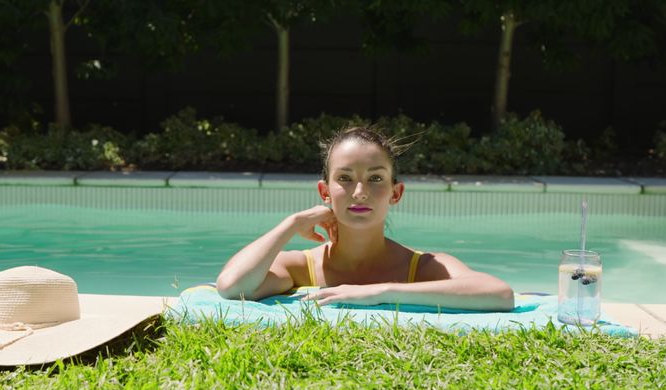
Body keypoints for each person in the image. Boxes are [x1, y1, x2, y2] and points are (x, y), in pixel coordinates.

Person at [217, 125, 515, 311]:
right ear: (325, 191)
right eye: (345, 178)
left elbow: (499, 294)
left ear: (395, 193)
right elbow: (232, 287)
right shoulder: (302, 267)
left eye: (375, 179)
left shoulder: (421, 267)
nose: (359, 192)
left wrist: (380, 292)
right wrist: (292, 223)